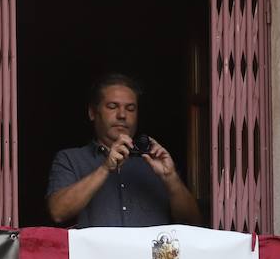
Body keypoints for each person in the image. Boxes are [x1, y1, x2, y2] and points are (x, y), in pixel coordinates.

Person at [46, 73, 201, 228]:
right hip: (96, 253)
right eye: (112, 106)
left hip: (148, 253)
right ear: (92, 113)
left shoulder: (155, 161)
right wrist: (105, 168)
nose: (122, 115)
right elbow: (58, 212)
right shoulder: (70, 159)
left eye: (130, 108)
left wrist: (170, 177)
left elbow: (193, 222)